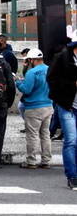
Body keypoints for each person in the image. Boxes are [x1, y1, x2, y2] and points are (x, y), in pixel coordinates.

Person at [46, 40, 77, 190]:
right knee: (71, 140)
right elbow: (51, 79)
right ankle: (72, 176)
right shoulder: (63, 57)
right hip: (67, 106)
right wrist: (72, 84)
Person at [16, 48, 52, 169]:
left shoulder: (32, 73)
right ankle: (46, 160)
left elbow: (26, 89)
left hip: (34, 107)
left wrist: (18, 83)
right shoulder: (49, 69)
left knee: (32, 135)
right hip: (48, 105)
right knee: (45, 134)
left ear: (32, 60)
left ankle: (31, 161)